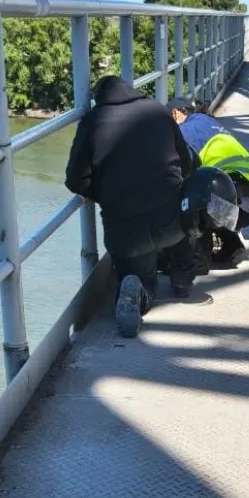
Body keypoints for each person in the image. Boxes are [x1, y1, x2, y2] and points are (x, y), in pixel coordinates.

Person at [64, 75, 198, 338]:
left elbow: (75, 180)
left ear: (97, 98)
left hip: (124, 228)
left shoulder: (92, 122)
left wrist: (105, 194)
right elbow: (187, 163)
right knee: (187, 220)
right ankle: (182, 277)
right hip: (171, 220)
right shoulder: (158, 112)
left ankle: (138, 291)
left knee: (140, 272)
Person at [166, 97, 249, 267]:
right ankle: (230, 241)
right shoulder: (215, 127)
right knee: (213, 181)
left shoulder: (185, 131)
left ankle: (197, 256)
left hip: (227, 208)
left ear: (175, 113)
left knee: (183, 191)